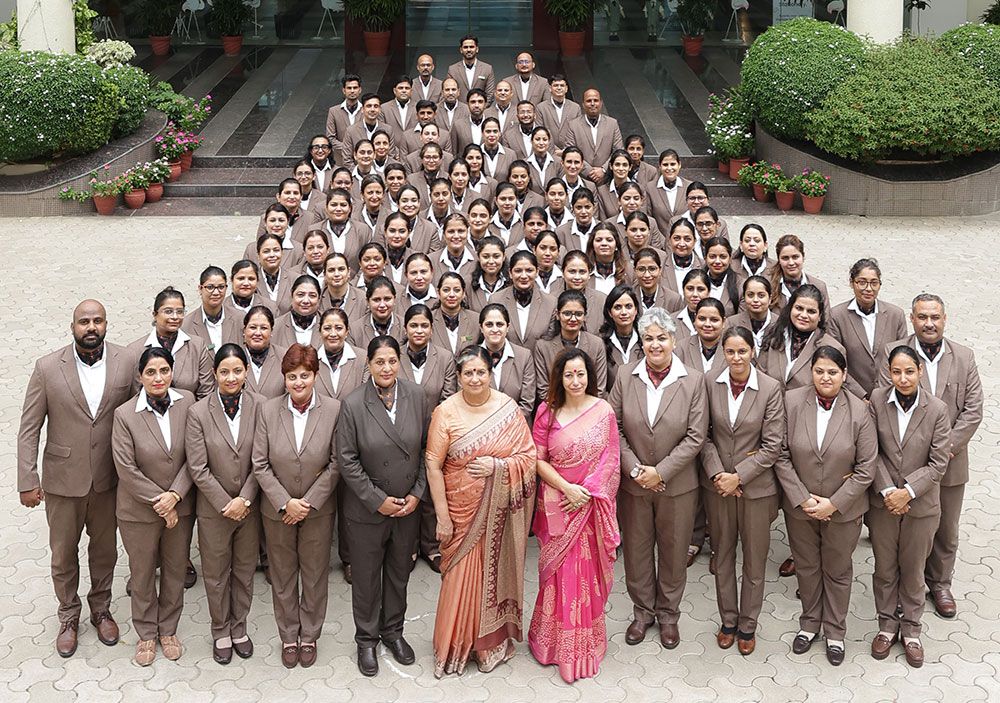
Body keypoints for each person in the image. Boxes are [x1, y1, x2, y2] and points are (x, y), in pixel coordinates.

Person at [17, 299, 134, 657]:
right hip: (63, 481)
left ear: (107, 324)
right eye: (84, 321)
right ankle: (68, 615)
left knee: (104, 551)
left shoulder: (125, 362)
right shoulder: (48, 367)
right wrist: (27, 479)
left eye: (97, 320)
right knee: (62, 553)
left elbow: (135, 418)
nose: (91, 327)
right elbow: (29, 428)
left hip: (108, 479)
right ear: (72, 326)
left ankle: (101, 608)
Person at [425, 346, 536, 677]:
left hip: (497, 513)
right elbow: (432, 463)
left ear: (491, 374)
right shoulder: (445, 412)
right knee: (460, 577)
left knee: (493, 574)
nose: (475, 378)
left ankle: (488, 645)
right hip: (461, 512)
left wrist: (497, 466)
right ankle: (455, 646)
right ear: (458, 377)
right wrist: (443, 516)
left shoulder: (507, 408)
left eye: (481, 372)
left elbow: (528, 458)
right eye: (468, 373)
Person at [608, 307, 707, 649]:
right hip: (634, 484)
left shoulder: (693, 380)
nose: (655, 345)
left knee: (674, 550)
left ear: (674, 340)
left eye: (661, 338)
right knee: (636, 550)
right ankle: (642, 613)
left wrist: (660, 472)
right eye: (648, 338)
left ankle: (668, 615)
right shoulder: (625, 375)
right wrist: (637, 470)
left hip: (677, 485)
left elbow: (696, 436)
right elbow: (615, 428)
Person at [880, 293, 983, 619]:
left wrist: (942, 448)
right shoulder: (893, 353)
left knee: (946, 528)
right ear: (912, 319)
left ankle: (939, 583)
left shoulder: (963, 357)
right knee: (906, 529)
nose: (928, 323)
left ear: (944, 319)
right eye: (922, 316)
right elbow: (883, 403)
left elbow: (973, 410)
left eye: (934, 317)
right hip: (902, 468)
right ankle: (902, 587)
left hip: (949, 462)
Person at [777, 345, 877, 666]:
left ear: (845, 375)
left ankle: (835, 630)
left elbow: (866, 468)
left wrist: (833, 503)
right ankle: (809, 623)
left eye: (833, 372)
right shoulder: (792, 402)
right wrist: (802, 497)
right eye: (819, 371)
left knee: (836, 569)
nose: (825, 377)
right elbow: (780, 454)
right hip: (801, 507)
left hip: (843, 510)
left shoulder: (860, 412)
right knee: (807, 566)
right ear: (811, 372)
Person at [337, 336, 428, 677]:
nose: (387, 368)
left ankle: (393, 632)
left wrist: (417, 494)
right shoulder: (354, 404)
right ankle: (366, 640)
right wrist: (379, 501)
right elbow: (347, 461)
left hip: (407, 507)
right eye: (380, 362)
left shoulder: (417, 396)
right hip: (367, 510)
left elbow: (425, 449)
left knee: (398, 574)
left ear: (399, 361)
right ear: (369, 365)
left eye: (392, 361)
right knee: (366, 578)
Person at [528, 348, 621, 682]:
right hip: (558, 505)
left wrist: (589, 492)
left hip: (590, 506)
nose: (575, 380)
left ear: (590, 376)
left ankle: (583, 645)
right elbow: (537, 459)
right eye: (569, 374)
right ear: (559, 378)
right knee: (558, 575)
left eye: (580, 374)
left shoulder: (603, 410)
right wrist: (567, 489)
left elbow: (611, 458)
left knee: (586, 576)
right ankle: (551, 643)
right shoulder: (546, 412)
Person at [252, 344, 341, 669]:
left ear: (316, 376)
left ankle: (310, 635)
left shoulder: (333, 409)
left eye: (305, 375)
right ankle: (289, 635)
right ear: (284, 379)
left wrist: (309, 502)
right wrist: (285, 502)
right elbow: (259, 463)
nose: (298, 383)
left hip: (317, 510)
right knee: (283, 574)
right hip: (277, 510)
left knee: (315, 574)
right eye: (292, 377)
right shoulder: (268, 410)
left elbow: (336, 463)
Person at [700, 327, 785, 656]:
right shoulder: (710, 382)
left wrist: (740, 476)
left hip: (756, 489)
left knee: (754, 559)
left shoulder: (770, 388)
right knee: (722, 557)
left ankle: (748, 623)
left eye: (742, 352)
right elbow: (703, 434)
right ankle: (728, 621)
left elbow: (773, 444)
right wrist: (720, 474)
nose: (736, 358)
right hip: (719, 486)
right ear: (723, 351)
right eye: (730, 352)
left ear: (753, 351)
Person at [111, 347, 196, 666]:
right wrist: (161, 501)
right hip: (138, 512)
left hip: (181, 506)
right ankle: (146, 633)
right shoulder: (124, 414)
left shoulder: (187, 402)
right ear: (140, 377)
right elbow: (126, 469)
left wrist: (175, 496)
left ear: (172, 372)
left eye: (163, 371)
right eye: (150, 372)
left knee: (175, 570)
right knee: (143, 572)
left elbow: (194, 456)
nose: (158, 378)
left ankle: (168, 629)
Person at [868, 345, 951, 669]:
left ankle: (912, 629)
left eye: (909, 371)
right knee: (885, 567)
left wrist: (908, 491)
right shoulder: (876, 401)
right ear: (889, 372)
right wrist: (889, 490)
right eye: (896, 372)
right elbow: (870, 451)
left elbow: (938, 462)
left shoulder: (937, 409)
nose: (903, 378)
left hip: (921, 505)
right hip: (884, 503)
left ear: (919, 371)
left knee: (914, 569)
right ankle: (887, 625)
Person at [185, 345, 260, 665]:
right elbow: (197, 467)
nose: (231, 377)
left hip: (249, 506)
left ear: (246, 372)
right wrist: (225, 503)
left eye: (238, 371)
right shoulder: (198, 413)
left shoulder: (261, 407)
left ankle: (239, 626)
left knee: (244, 571)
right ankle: (220, 630)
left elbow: (262, 460)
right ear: (215, 374)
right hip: (214, 509)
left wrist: (244, 498)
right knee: (216, 573)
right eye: (224, 371)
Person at [827, 258, 908, 401]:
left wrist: (885, 394)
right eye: (862, 282)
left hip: (890, 396)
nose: (868, 288)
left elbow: (902, 359)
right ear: (852, 283)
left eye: (874, 283)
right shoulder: (837, 316)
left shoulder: (896, 315)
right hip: (852, 397)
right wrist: (861, 396)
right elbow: (835, 361)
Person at [129, 287, 214, 400]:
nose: (175, 317)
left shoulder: (197, 346)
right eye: (168, 311)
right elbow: (135, 394)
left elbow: (206, 392)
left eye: (179, 312)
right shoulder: (135, 350)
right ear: (155, 314)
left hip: (190, 414)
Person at [757, 285, 845, 391]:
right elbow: (760, 378)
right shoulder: (774, 336)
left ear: (820, 316)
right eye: (799, 308)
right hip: (771, 406)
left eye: (811, 311)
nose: (803, 315)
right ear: (790, 308)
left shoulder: (833, 347)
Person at [534, 290, 609, 403]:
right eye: (567, 313)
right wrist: (567, 410)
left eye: (578, 314)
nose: (573, 319)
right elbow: (543, 390)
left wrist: (581, 410)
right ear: (557, 315)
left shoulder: (596, 344)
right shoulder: (543, 346)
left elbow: (599, 388)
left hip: (589, 411)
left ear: (585, 316)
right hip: (556, 410)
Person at [478, 303, 535, 417]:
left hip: (517, 427)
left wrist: (506, 428)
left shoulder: (524, 356)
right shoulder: (472, 357)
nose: (495, 329)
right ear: (481, 328)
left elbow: (527, 403)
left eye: (500, 324)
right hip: (481, 427)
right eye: (489, 324)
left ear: (508, 327)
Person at [491, 250, 556, 350]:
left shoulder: (551, 303)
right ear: (510, 273)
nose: (524, 276)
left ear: (537, 272)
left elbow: (550, 343)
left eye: (529, 270)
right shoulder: (496, 300)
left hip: (538, 363)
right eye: (518, 271)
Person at [563, 89, 624, 182]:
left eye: (595, 100)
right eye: (588, 101)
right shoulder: (573, 125)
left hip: (606, 179)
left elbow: (618, 151)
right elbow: (570, 152)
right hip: (582, 179)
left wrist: (603, 170)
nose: (592, 103)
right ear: (583, 104)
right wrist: (589, 171)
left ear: (601, 103)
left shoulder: (612, 123)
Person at [182, 266, 242, 353]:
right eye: (210, 287)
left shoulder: (240, 318)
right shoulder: (186, 325)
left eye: (221, 287)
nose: (216, 292)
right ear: (200, 289)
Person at [769, 235, 830, 315]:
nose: (791, 263)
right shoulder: (769, 286)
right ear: (779, 260)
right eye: (785, 258)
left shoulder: (819, 286)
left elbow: (826, 321)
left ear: (803, 257)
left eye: (795, 257)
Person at [315, 308, 367, 401]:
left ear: (347, 331)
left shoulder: (363, 359)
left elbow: (366, 395)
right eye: (327, 328)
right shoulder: (310, 359)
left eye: (338, 328)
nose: (333, 334)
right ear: (320, 331)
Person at [599, 285, 643, 394]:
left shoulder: (646, 339)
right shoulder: (600, 342)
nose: (623, 312)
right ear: (610, 312)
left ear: (636, 310)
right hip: (610, 406)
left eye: (628, 306)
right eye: (618, 307)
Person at [240, 306, 287, 399]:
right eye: (253, 327)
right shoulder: (233, 357)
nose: (258, 333)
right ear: (244, 331)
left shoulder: (284, 357)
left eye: (264, 328)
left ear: (272, 331)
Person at [271, 276, 323, 349]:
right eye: (300, 295)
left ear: (319, 299)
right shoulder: (276, 327)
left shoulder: (328, 325)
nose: (306, 301)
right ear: (291, 295)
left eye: (312, 296)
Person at [727, 276, 774, 352]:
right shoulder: (731, 323)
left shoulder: (780, 323)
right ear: (744, 297)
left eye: (761, 295)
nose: (755, 300)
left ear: (770, 298)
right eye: (750, 295)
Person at [644, 149, 686, 233]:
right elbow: (648, 217)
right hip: (659, 242)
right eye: (665, 165)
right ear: (659, 166)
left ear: (679, 165)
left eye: (673, 164)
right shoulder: (650, 188)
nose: (669, 168)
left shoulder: (688, 187)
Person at [447, 34, 496, 103]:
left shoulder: (487, 69)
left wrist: (480, 108)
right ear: (461, 50)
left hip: (480, 111)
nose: (469, 50)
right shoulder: (452, 70)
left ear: (477, 49)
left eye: (471, 47)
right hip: (460, 112)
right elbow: (449, 93)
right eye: (465, 47)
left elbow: (490, 94)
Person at [326, 73, 363, 165]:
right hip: (340, 161)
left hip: (364, 161)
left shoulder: (367, 111)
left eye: (355, 88)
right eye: (349, 88)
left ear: (360, 90)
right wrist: (348, 147)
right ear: (344, 90)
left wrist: (362, 150)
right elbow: (330, 138)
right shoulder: (334, 111)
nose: (352, 91)